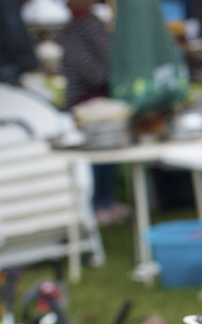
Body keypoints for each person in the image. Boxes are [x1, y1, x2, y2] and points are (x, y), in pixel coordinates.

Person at [58, 0, 126, 224]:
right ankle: (99, 205)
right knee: (97, 157)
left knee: (105, 155)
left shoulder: (88, 24)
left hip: (98, 100)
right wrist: (115, 79)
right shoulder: (78, 27)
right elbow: (98, 67)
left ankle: (105, 201)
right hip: (88, 102)